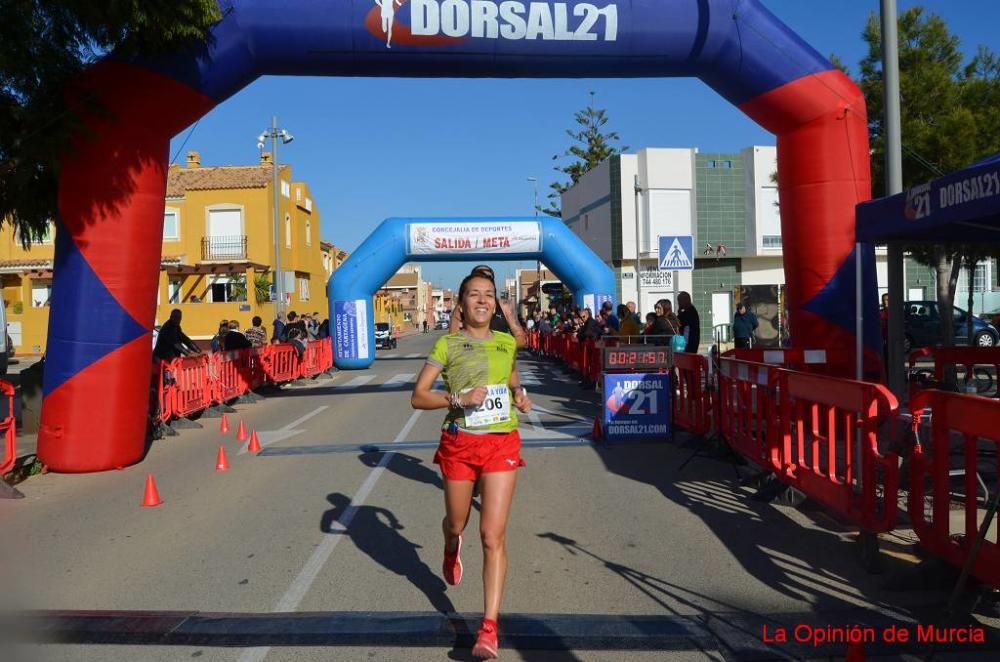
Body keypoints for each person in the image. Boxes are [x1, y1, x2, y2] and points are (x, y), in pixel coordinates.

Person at [410, 270, 532, 660]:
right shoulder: (447, 345)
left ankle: (489, 628)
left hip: (501, 444)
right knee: (458, 523)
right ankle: (450, 545)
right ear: (461, 303)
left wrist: (519, 395)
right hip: (460, 444)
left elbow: (511, 379)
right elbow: (418, 396)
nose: (482, 301)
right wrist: (458, 399)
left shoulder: (505, 343)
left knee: (492, 536)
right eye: (474, 295)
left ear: (495, 302)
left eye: (489, 295)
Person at [449, 265, 527, 348]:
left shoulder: (505, 306)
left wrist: (501, 348)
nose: (482, 301)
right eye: (479, 276)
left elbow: (521, 338)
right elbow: (452, 339)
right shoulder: (462, 307)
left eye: (488, 277)